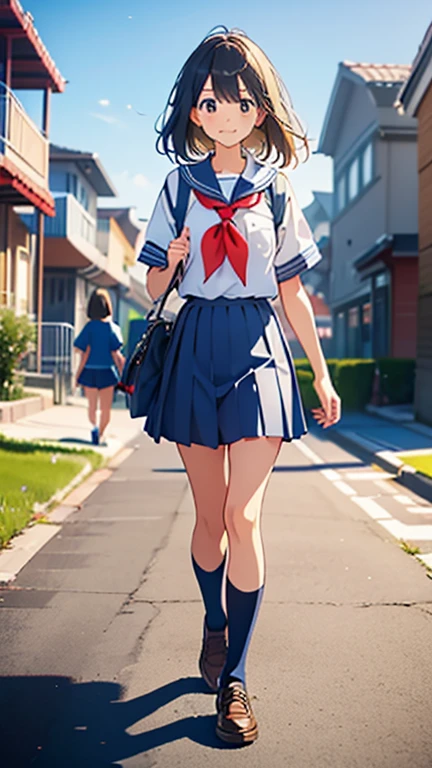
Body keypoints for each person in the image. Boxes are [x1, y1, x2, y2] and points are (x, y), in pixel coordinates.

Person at [137, 28, 341, 745]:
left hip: (258, 348)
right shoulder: (174, 187)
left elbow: (292, 295)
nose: (223, 112)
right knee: (209, 520)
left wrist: (318, 370)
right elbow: (155, 285)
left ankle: (236, 683)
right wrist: (178, 258)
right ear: (195, 111)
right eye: (210, 100)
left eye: (238, 101)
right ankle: (215, 619)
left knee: (244, 517)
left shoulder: (277, 192)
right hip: (194, 344)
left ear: (258, 112)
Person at [74, 288, 125, 446]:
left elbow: (83, 353)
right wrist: (124, 374)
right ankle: (101, 433)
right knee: (106, 409)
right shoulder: (112, 328)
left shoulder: (89, 328)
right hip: (107, 372)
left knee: (92, 407)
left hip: (89, 371)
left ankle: (94, 427)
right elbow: (116, 355)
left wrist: (77, 376)